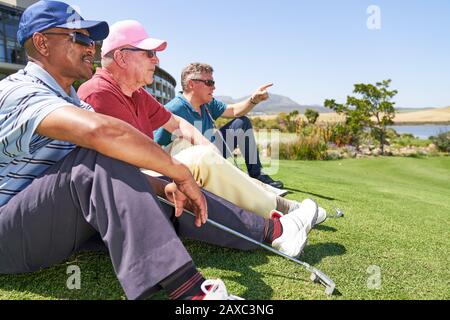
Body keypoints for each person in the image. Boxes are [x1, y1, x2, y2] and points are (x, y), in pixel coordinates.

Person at [0, 1, 320, 301]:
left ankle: (275, 230)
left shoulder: (72, 101)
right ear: (42, 43)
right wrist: (177, 172)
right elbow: (102, 133)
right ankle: (190, 293)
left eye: (91, 40)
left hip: (51, 224)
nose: (91, 47)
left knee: (159, 189)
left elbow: (114, 163)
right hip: (9, 239)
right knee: (102, 155)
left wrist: (165, 185)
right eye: (78, 38)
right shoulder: (18, 90)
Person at [78, 20, 322, 220]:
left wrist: (207, 147)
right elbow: (130, 159)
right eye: (149, 53)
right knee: (195, 155)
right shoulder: (99, 92)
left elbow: (178, 124)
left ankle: (275, 202)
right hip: (132, 186)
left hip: (149, 172)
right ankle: (281, 212)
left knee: (200, 149)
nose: (157, 60)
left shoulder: (137, 94)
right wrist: (189, 165)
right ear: (121, 57)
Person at [154, 63, 284, 189]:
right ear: (191, 84)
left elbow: (234, 111)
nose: (213, 87)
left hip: (211, 153)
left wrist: (253, 100)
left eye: (213, 83)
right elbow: (156, 146)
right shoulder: (173, 109)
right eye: (209, 83)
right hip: (187, 165)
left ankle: (257, 175)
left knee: (242, 122)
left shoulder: (208, 103)